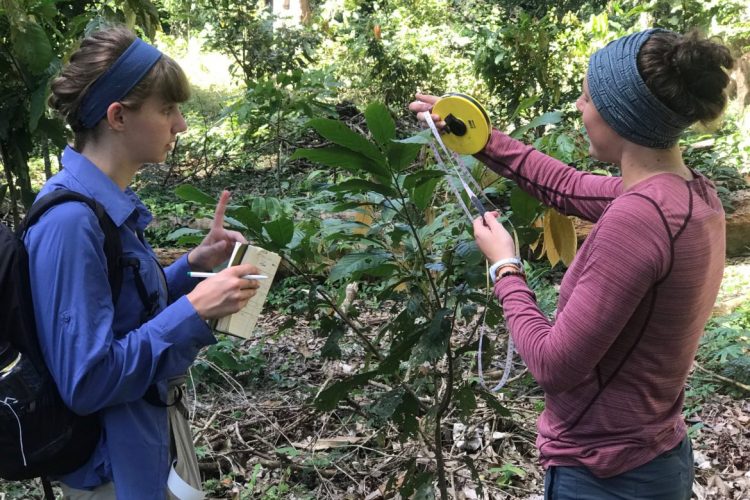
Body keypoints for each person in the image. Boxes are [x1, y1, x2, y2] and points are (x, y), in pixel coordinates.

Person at [410, 28, 734, 499]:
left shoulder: (639, 219)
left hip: (606, 475)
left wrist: (505, 267)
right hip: (655, 458)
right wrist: (478, 138)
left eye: (588, 98)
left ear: (620, 115)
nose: (580, 108)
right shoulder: (689, 193)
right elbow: (566, 186)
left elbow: (553, 364)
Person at [25, 26, 261, 498]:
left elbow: (119, 308)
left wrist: (192, 266)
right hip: (111, 471)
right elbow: (87, 382)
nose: (181, 125)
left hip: (145, 445)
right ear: (118, 116)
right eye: (167, 109)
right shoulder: (70, 222)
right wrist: (193, 310)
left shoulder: (106, 204)